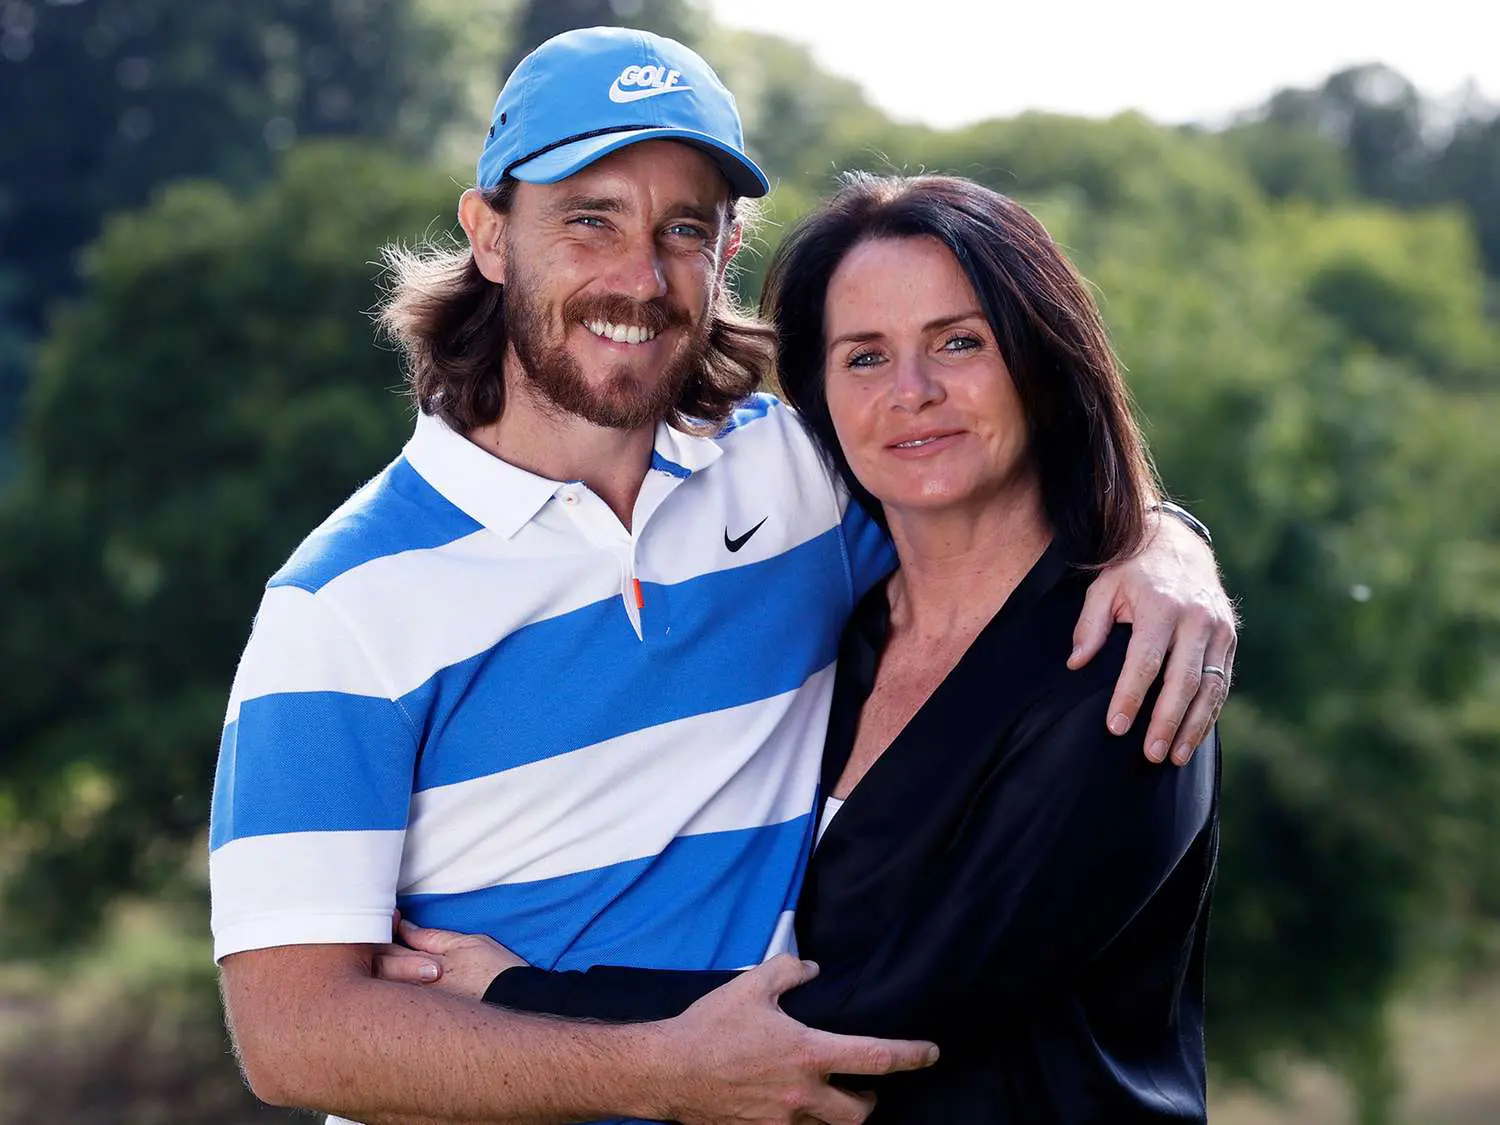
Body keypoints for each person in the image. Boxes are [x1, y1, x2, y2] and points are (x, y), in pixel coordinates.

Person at [210, 25, 1234, 1125]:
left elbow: (994, 495)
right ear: (491, 234)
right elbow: (295, 1039)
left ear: (726, 251)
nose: (638, 277)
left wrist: (1164, 541)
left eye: (682, 229)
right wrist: (657, 1068)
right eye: (589, 218)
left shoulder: (800, 476)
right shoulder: (341, 608)